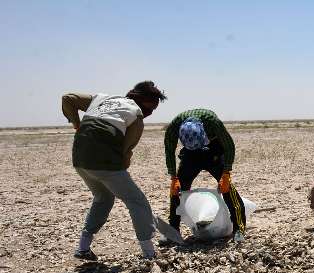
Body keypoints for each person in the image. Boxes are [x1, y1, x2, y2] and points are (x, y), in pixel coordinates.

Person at [61, 81, 167, 261]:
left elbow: (68, 99)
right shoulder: (136, 114)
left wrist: (77, 125)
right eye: (152, 108)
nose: (151, 113)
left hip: (79, 159)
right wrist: (121, 169)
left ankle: (83, 248)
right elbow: (126, 153)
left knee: (103, 198)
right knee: (137, 201)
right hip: (104, 162)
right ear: (143, 101)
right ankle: (149, 253)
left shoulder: (102, 98)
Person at [163, 109, 246, 243]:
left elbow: (229, 146)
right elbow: (169, 150)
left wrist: (226, 173)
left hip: (213, 150)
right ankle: (173, 232)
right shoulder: (173, 128)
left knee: (227, 189)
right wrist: (174, 177)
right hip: (190, 155)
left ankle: (239, 230)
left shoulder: (212, 122)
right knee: (177, 190)